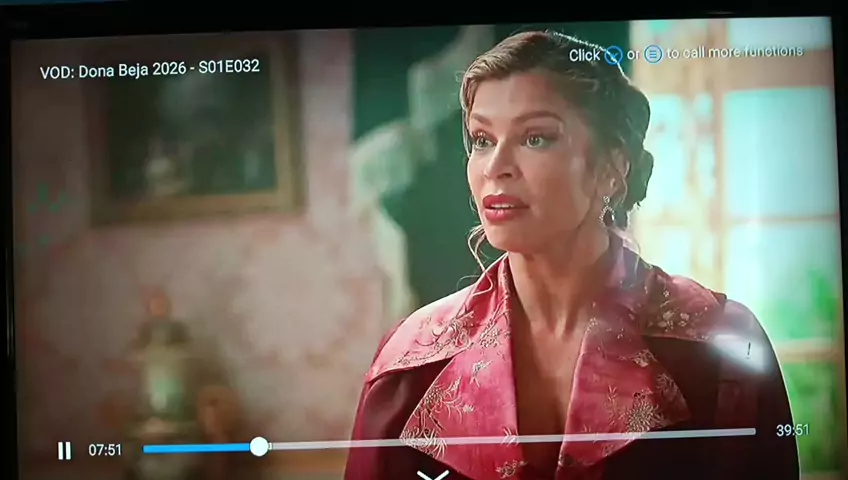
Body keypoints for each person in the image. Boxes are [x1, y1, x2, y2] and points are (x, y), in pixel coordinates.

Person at [345, 31, 799, 480]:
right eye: (482, 139)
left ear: (611, 168)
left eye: (536, 138)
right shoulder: (411, 360)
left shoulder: (722, 345)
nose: (496, 167)